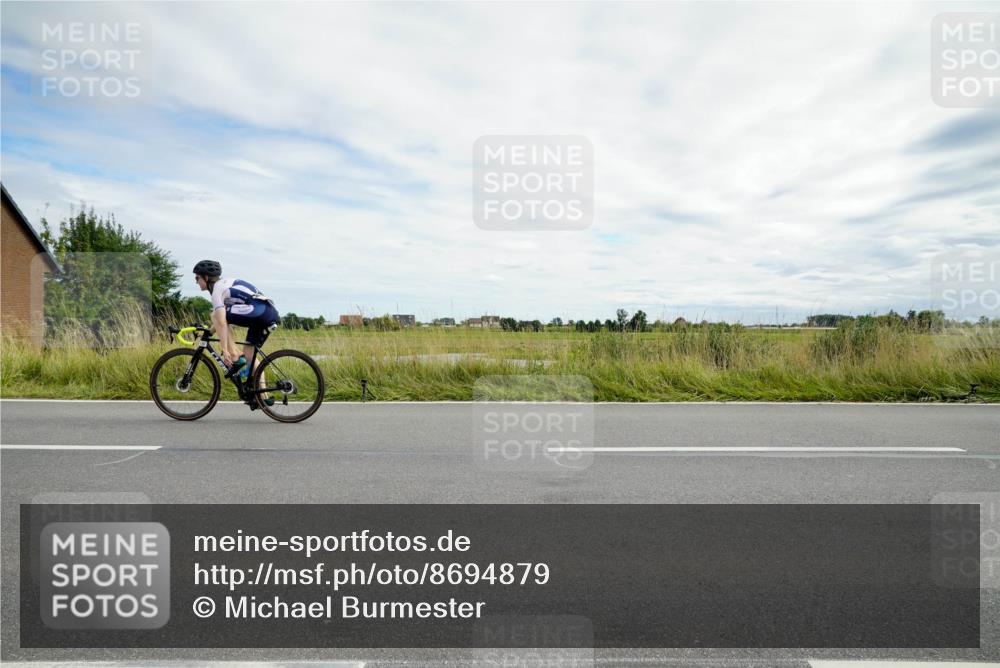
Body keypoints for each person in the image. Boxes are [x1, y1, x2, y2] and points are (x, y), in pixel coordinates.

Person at [192, 260, 280, 404]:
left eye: (197, 278)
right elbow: (221, 323)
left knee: (215, 314)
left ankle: (234, 355)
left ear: (206, 278)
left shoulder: (217, 290)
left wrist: (224, 349)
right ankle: (263, 397)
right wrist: (208, 332)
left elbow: (220, 320)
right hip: (266, 311)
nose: (196, 282)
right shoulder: (226, 284)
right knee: (249, 353)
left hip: (259, 310)